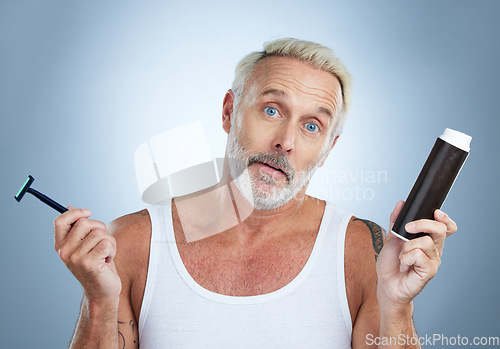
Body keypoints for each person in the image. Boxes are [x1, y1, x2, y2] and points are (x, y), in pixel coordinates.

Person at [54, 38, 457, 348]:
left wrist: (398, 306)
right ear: (229, 112)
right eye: (271, 110)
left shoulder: (361, 252)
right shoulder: (132, 243)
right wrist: (100, 301)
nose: (286, 142)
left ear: (328, 149)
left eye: (312, 126)